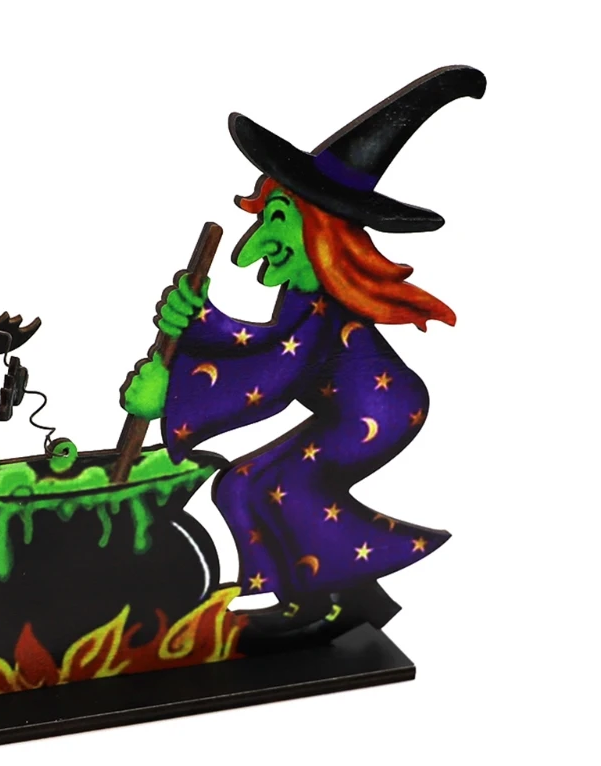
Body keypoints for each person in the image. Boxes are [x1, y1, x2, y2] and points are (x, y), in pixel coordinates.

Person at [124, 66, 485, 630]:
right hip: (356, 409)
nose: (253, 247)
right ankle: (317, 597)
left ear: (318, 232)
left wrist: (172, 392)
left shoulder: (316, 308)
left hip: (380, 411)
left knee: (290, 486)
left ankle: (325, 602)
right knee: (240, 484)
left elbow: (273, 373)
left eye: (276, 220)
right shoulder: (304, 297)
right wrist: (198, 322)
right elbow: (263, 346)